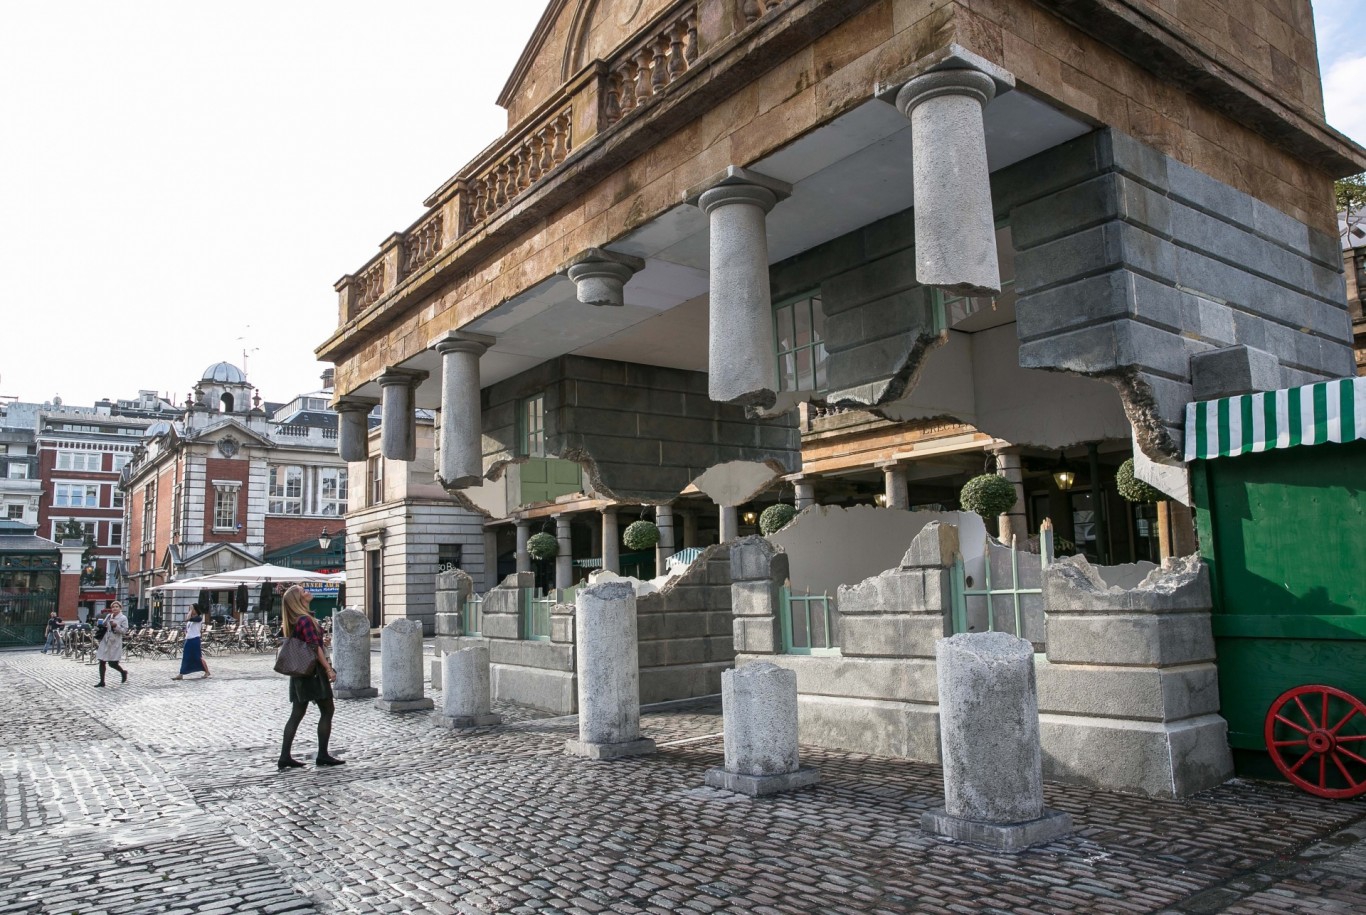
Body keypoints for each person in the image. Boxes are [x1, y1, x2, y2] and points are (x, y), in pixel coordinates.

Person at [277, 585, 343, 769]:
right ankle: (322, 754)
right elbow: (314, 647)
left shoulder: (295, 619)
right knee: (327, 710)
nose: (307, 591)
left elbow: (311, 643)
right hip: (313, 672)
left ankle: (285, 756)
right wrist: (328, 669)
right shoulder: (305, 619)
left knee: (297, 713)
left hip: (300, 673)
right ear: (299, 599)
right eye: (303, 591)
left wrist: (322, 640)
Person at [94, 601, 129, 687]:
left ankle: (123, 672)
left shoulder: (123, 618)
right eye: (113, 607)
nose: (114, 608)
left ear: (120, 608)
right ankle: (102, 681)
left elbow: (124, 631)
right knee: (101, 661)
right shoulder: (109, 616)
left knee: (112, 663)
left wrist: (115, 626)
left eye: (116, 607)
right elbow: (104, 625)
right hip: (106, 640)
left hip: (115, 641)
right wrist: (102, 624)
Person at [172, 603, 211, 681]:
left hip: (195, 640)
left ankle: (207, 671)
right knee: (186, 657)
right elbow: (188, 623)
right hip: (188, 639)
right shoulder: (191, 620)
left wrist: (190, 611)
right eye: (190, 609)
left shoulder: (198, 619)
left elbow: (187, 619)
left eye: (192, 609)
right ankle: (181, 674)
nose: (191, 611)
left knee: (198, 657)